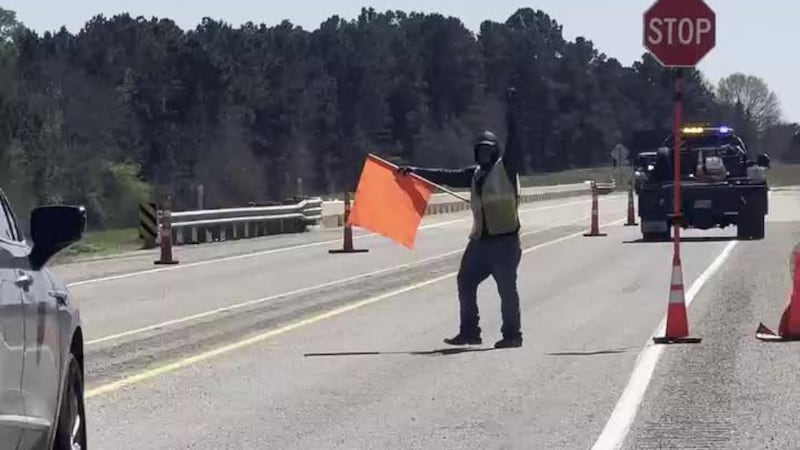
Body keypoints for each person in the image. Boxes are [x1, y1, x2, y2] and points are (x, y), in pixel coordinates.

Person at [397, 87, 523, 349]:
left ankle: (512, 335)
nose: (485, 155)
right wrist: (414, 171)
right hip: (479, 243)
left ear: (497, 152)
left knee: (506, 291)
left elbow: (517, 140)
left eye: (489, 151)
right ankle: (470, 332)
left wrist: (512, 111)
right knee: (465, 281)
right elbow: (445, 175)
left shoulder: (506, 170)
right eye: (481, 151)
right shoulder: (473, 174)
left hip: (505, 244)